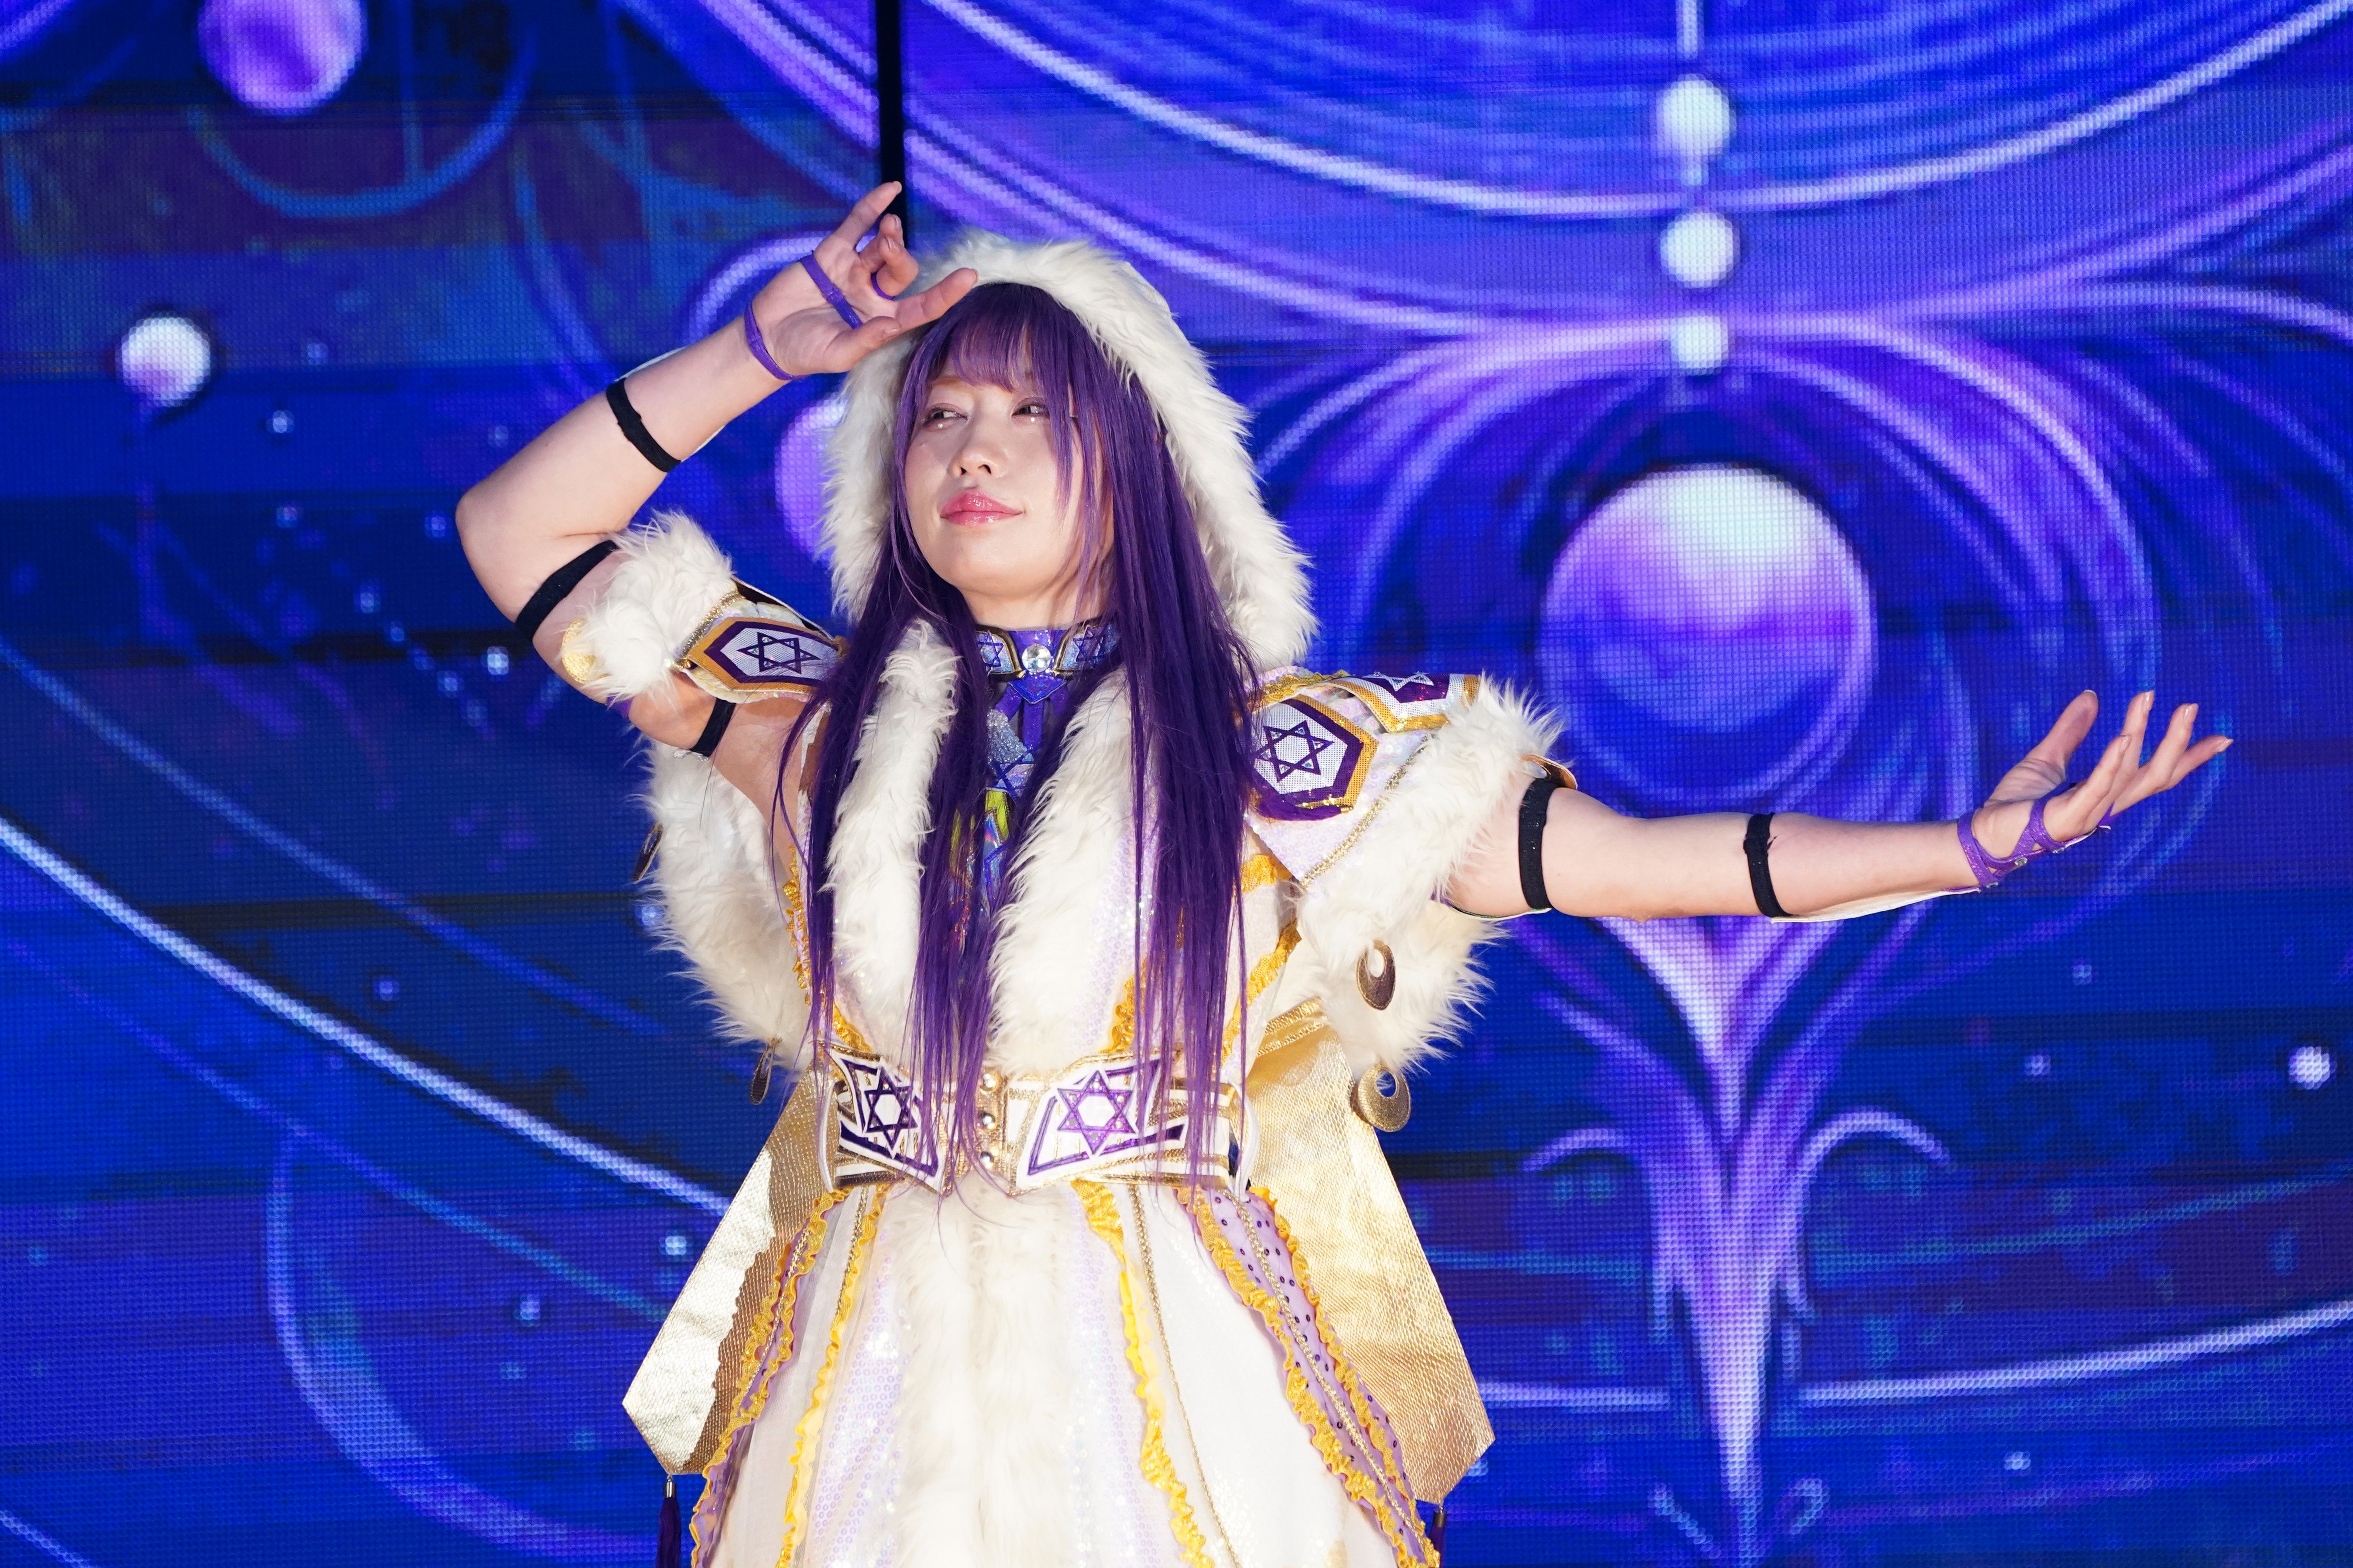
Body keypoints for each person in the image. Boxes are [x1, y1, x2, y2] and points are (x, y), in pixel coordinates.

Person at [455, 185, 2229, 1568]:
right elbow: (518, 536)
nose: (973, 450)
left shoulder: (1289, 761)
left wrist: (1961, 849)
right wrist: (761, 349)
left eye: (1035, 414)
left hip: (1168, 1364)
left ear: (1143, 468)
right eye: (941, 417)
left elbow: (1639, 861)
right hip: (867, 1364)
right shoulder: (803, 718)